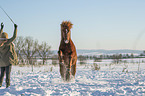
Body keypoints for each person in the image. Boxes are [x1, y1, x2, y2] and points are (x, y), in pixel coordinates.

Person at [0, 22, 18, 88]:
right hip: (8, 62)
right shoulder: (8, 42)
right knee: (8, 74)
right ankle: (8, 85)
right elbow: (14, 36)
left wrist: (1, 28)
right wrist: (15, 28)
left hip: (1, 62)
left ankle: (0, 84)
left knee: (1, 74)